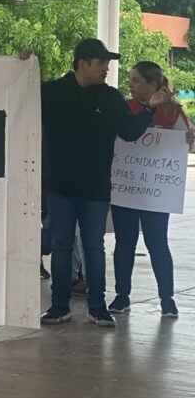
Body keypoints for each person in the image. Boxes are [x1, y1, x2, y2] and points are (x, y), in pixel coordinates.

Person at [39, 38, 171, 328]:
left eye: (107, 64)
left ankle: (97, 307)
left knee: (93, 247)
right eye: (101, 63)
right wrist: (20, 65)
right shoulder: (51, 92)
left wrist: (150, 109)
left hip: (96, 190)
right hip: (60, 187)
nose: (106, 69)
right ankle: (59, 306)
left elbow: (130, 132)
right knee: (61, 246)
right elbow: (18, 102)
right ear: (83, 63)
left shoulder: (109, 98)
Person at [109, 61, 193, 318]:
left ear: (152, 84)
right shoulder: (125, 108)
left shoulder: (173, 112)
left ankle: (167, 298)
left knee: (157, 243)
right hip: (127, 188)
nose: (130, 86)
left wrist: (189, 140)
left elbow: (184, 145)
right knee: (125, 242)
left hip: (156, 193)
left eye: (135, 80)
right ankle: (122, 296)